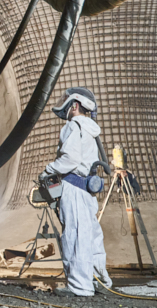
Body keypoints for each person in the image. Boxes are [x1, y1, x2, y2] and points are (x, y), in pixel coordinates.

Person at [41, 87, 113, 296]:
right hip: (87, 190)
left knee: (75, 236)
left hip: (74, 187)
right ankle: (100, 280)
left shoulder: (73, 125)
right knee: (91, 236)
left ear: (74, 105)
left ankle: (80, 287)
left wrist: (49, 170)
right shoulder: (91, 128)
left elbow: (70, 159)